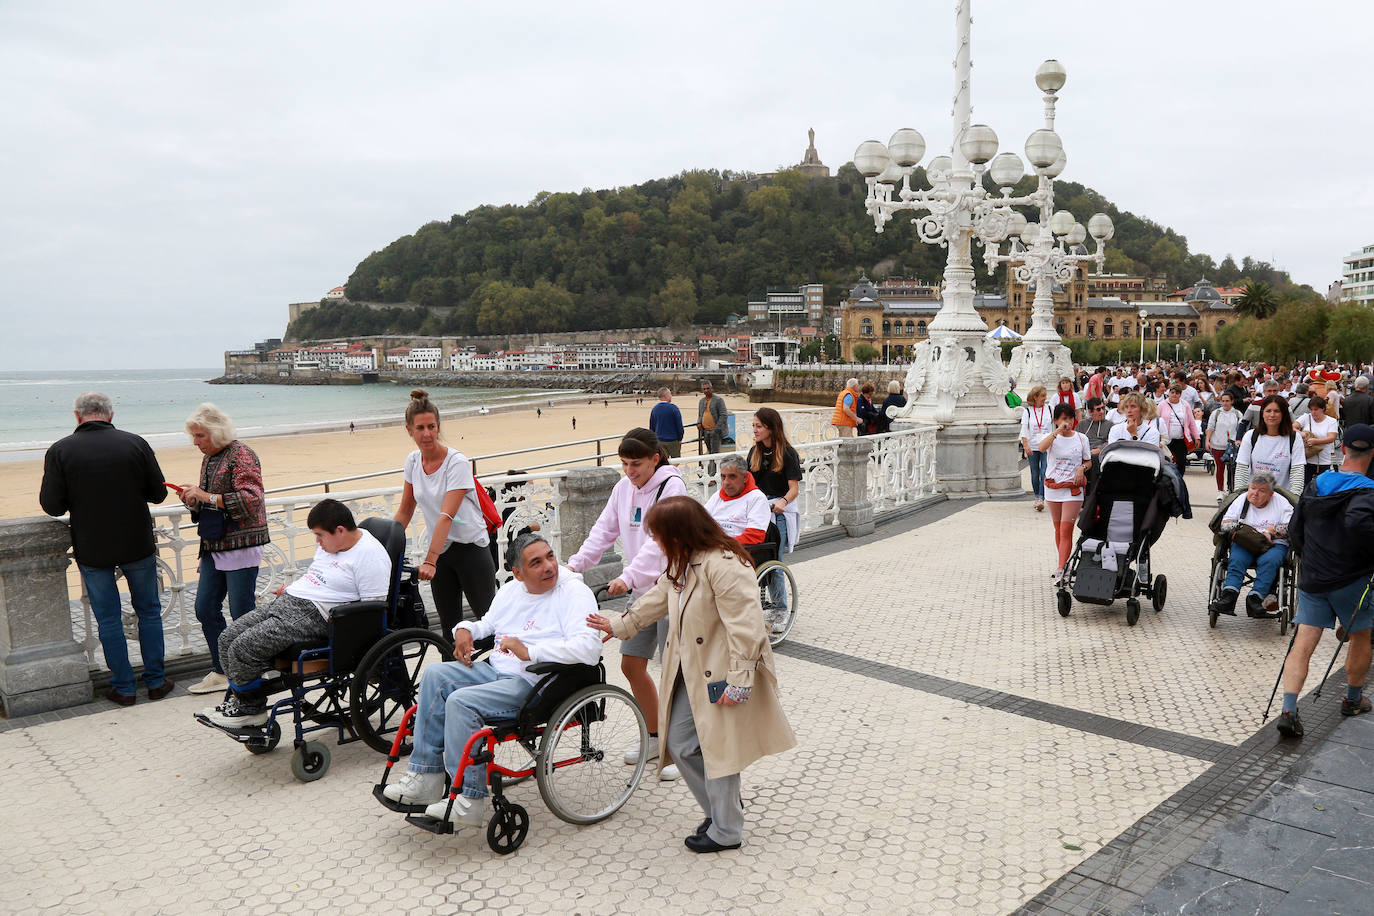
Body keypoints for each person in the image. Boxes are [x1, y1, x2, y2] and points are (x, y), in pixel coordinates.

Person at [586, 497, 796, 853]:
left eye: (660, 536)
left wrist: (739, 681)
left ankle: (727, 828)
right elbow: (657, 597)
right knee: (681, 744)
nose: (657, 543)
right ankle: (723, 808)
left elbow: (747, 627)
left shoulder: (726, 565)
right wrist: (620, 625)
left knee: (719, 748)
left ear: (680, 534)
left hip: (722, 673)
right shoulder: (682, 562)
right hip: (688, 672)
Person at [381, 534, 603, 824]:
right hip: (497, 672)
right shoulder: (512, 591)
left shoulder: (573, 592)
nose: (549, 566)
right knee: (435, 674)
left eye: (550, 556)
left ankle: (470, 798)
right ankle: (426, 778)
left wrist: (530, 651)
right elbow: (488, 623)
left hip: (537, 683)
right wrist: (465, 630)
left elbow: (589, 648)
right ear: (518, 573)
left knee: (461, 702)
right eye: (537, 562)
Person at [198, 499, 391, 727]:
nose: (318, 542)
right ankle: (242, 702)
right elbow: (317, 576)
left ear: (340, 530)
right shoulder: (332, 545)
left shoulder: (371, 556)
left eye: (320, 535)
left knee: (243, 648)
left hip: (316, 615)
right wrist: (290, 589)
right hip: (290, 601)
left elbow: (372, 609)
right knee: (226, 639)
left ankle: (251, 711)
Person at [567, 428, 685, 781]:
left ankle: (679, 748)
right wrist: (574, 565)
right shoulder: (623, 488)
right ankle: (653, 737)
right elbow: (603, 531)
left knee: (675, 673)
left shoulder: (671, 487)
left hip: (673, 589)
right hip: (641, 591)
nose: (630, 471)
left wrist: (628, 577)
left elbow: (659, 544)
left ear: (655, 458)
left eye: (636, 464)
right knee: (632, 665)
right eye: (624, 464)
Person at [39, 392, 172, 706]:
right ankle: (155, 681)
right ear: (110, 416)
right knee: (149, 612)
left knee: (108, 619)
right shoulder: (135, 443)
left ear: (77, 416)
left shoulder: (60, 450)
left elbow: (52, 506)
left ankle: (124, 688)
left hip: (93, 546)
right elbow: (158, 494)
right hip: (137, 543)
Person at [1274, 424, 1374, 738]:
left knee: (1303, 643)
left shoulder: (1317, 484)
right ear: (1372, 454)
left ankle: (1289, 709)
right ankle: (1352, 699)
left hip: (1314, 577)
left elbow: (1294, 530)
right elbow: (1359, 522)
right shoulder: (1368, 491)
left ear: (1342, 449)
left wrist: (1310, 559)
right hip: (1352, 579)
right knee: (1360, 638)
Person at [181, 404, 270, 696]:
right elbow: (214, 500)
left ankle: (248, 670)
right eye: (194, 436)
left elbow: (251, 499)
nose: (195, 442)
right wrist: (194, 499)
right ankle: (223, 669)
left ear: (216, 433)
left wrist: (205, 495)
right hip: (215, 543)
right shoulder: (211, 457)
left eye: (200, 436)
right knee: (205, 607)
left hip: (242, 545)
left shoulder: (241, 455)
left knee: (241, 611)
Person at [393, 389, 496, 639]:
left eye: (431, 426)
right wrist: (383, 545)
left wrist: (429, 560)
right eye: (420, 428)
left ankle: (502, 674)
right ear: (409, 430)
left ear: (438, 427)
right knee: (449, 630)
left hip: (471, 549)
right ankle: (452, 677)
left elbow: (446, 516)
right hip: (443, 552)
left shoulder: (456, 463)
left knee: (490, 623)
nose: (427, 434)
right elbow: (405, 510)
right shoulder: (413, 462)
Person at [1209, 473, 1293, 620]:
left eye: (1261, 490)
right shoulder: (1241, 500)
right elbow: (1225, 524)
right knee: (1237, 559)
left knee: (1270, 562)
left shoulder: (1282, 503)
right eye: (1252, 488)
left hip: (1273, 544)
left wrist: (1273, 531)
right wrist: (1245, 530)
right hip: (1246, 542)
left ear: (1271, 494)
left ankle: (1255, 599)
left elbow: (1291, 528)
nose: (1255, 493)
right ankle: (1229, 596)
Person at [747, 408, 803, 614]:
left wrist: (782, 502)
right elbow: (749, 484)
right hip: (758, 511)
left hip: (778, 513)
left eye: (759, 426)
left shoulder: (787, 453)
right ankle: (754, 605)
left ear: (771, 428)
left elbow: (794, 488)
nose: (755, 430)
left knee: (774, 562)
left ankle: (780, 609)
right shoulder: (755, 453)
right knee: (752, 561)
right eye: (753, 426)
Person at [1040, 404, 1091, 582]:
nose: (1066, 422)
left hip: (1072, 488)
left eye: (1069, 418)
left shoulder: (1081, 438)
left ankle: (1061, 568)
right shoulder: (1052, 438)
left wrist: (1082, 468)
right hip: (1053, 487)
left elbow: (1088, 460)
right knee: (1058, 529)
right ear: (1056, 420)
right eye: (1062, 418)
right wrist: (1056, 432)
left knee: (1066, 528)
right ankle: (1064, 562)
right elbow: (1041, 447)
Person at [1235, 395, 1305, 496]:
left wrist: (1293, 499)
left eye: (1277, 411)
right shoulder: (1251, 436)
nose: (1272, 415)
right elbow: (1241, 469)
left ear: (1283, 414)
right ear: (1262, 413)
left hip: (1282, 499)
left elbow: (1297, 472)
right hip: (1254, 498)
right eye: (1268, 411)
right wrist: (1239, 496)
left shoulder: (1294, 438)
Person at [704, 455, 772, 545]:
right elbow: (700, 522)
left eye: (732, 477)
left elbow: (754, 536)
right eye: (723, 477)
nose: (726, 483)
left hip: (738, 552)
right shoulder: (717, 496)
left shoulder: (757, 498)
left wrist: (720, 544)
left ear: (745, 478)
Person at [1019, 385, 1053, 511]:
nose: (1045, 398)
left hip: (1046, 444)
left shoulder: (1050, 408)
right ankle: (1036, 496)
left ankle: (1041, 498)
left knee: (1044, 471)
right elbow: (1024, 428)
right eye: (1042, 396)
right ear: (1035, 397)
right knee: (1035, 473)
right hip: (1032, 445)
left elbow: (1055, 424)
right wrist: (1025, 444)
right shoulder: (1027, 411)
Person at [1206, 391, 1241, 499]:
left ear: (1232, 401)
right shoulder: (1216, 413)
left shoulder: (1237, 414)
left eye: (1227, 401)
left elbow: (1240, 429)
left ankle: (1231, 489)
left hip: (1232, 446)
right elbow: (1210, 427)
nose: (1225, 403)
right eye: (1223, 401)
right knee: (1220, 468)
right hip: (1217, 445)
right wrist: (1207, 440)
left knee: (1232, 469)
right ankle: (1220, 490)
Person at [1298, 396, 1340, 484]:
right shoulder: (1306, 417)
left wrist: (1316, 441)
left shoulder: (1331, 421)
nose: (1313, 412)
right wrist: (1301, 433)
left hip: (1324, 461)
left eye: (1316, 409)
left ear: (1323, 409)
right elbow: (1292, 427)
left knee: (1323, 487)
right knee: (1305, 487)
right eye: (1311, 409)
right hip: (1307, 459)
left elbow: (1332, 438)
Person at [1159, 384, 1201, 473]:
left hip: (1180, 439)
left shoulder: (1185, 405)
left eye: (1177, 393)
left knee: (1181, 463)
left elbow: (1191, 422)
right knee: (1166, 462)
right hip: (1166, 439)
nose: (1174, 395)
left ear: (1180, 395)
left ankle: (1179, 481)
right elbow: (1157, 421)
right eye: (1172, 392)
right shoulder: (1162, 405)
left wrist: (1197, 437)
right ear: (1169, 393)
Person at [649, 387, 685, 458]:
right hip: (673, 440)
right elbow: (679, 426)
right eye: (670, 394)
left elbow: (652, 427)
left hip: (659, 440)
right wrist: (680, 438)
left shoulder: (655, 409)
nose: (671, 396)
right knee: (676, 460)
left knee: (663, 460)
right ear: (666, 395)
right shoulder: (673, 408)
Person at [697, 382, 727, 454]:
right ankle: (711, 465)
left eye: (708, 388)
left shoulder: (719, 400)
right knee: (709, 452)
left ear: (712, 389)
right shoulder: (701, 401)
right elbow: (700, 414)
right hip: (705, 431)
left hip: (715, 432)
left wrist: (716, 429)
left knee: (715, 453)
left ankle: (714, 465)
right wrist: (699, 422)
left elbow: (723, 415)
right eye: (704, 389)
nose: (706, 390)